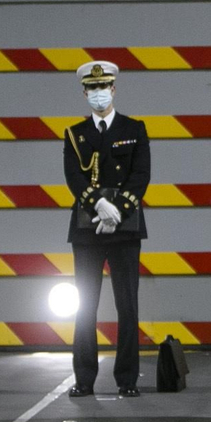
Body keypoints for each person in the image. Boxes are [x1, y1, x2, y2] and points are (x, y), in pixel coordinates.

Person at [62, 60, 151, 398]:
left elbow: (141, 175)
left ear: (114, 89)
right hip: (87, 229)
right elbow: (74, 176)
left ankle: (127, 379)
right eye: (92, 88)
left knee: (127, 305)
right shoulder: (75, 133)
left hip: (125, 228)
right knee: (85, 305)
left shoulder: (134, 129)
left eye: (104, 87)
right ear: (85, 93)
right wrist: (98, 205)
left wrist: (118, 210)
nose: (99, 94)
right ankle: (84, 378)